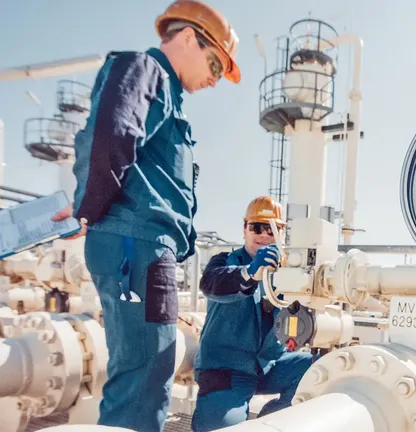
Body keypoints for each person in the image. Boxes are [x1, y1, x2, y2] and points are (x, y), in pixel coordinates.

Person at [50, 1, 241, 431]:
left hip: (143, 249)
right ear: (189, 38)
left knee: (150, 371)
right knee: (142, 378)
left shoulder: (169, 91)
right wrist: (88, 208)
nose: (214, 79)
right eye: (216, 63)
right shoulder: (145, 69)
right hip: (134, 243)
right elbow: (112, 132)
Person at [191, 196, 316, 431]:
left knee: (318, 369)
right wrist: (249, 273)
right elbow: (211, 284)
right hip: (225, 369)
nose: (264, 235)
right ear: (245, 229)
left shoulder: (288, 272)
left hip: (269, 364)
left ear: (281, 233)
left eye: (272, 229)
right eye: (257, 227)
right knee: (222, 427)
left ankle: (268, 421)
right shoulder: (223, 262)